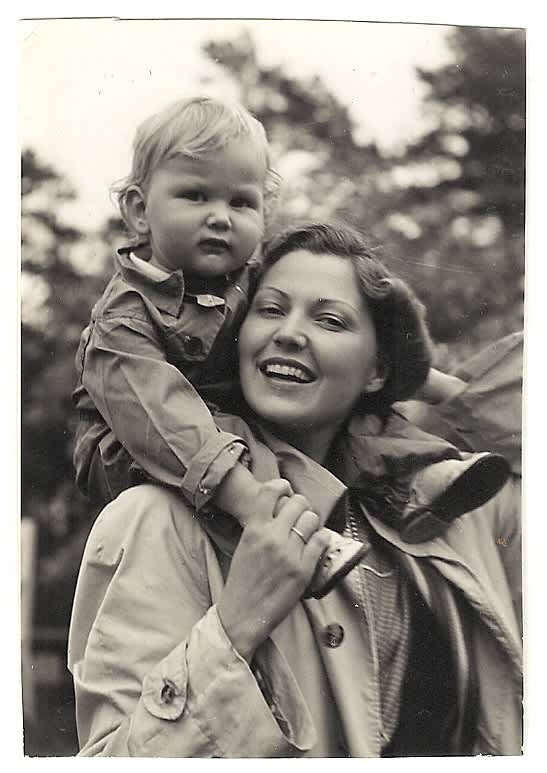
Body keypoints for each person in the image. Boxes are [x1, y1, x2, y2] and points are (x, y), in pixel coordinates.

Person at [68, 222, 522, 757]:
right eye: (270, 309)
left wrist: (419, 375)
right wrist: (237, 624)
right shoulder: (154, 519)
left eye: (330, 319)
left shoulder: (451, 505)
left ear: (376, 370)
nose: (288, 332)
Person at [72, 96, 509, 587]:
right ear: (138, 210)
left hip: (221, 437)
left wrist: (439, 389)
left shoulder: (246, 280)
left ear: (266, 208)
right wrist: (251, 502)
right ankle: (300, 532)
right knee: (240, 435)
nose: (220, 217)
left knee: (353, 406)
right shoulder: (123, 321)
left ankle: (416, 479)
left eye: (240, 202)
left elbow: (348, 350)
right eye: (195, 196)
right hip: (137, 445)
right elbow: (159, 415)